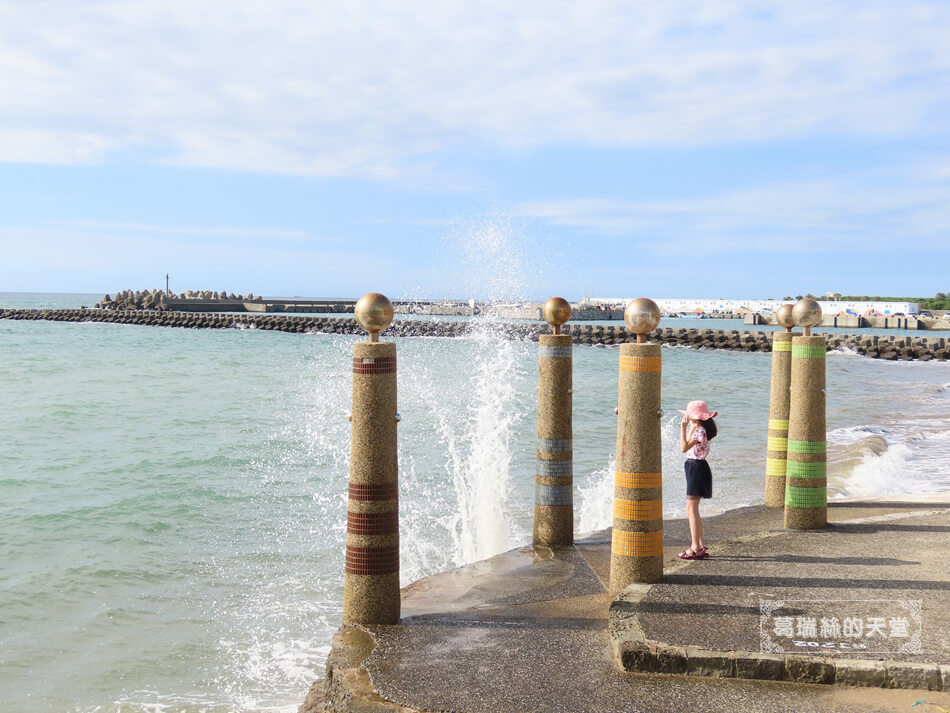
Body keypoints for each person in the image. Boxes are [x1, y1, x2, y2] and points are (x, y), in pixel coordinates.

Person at [677, 400, 718, 560]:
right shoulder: (703, 429)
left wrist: (683, 428)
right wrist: (692, 426)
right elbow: (689, 444)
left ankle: (695, 548)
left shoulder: (699, 431)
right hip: (699, 466)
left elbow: (683, 448)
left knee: (691, 510)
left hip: (695, 467)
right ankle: (699, 545)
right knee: (693, 510)